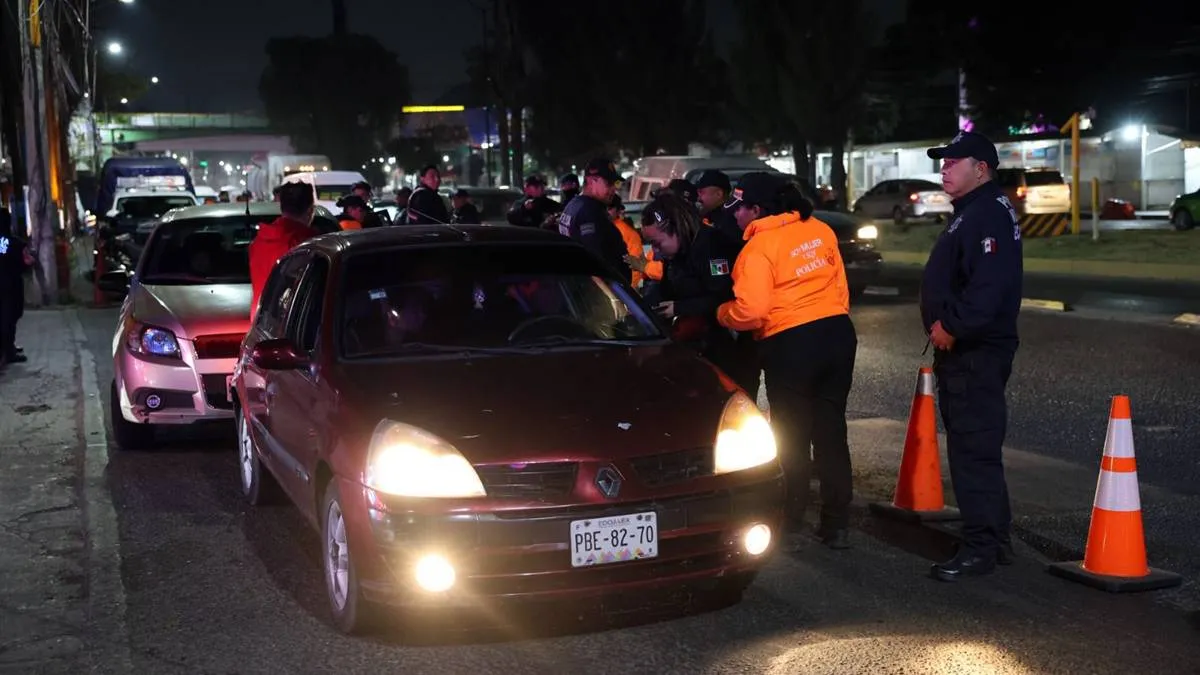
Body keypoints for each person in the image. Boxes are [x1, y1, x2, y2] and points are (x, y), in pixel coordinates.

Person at [716, 172, 857, 549]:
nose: (735, 216)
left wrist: (723, 314)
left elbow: (753, 311)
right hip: (838, 333)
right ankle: (836, 523)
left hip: (791, 342)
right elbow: (840, 286)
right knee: (830, 432)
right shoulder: (821, 230)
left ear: (757, 209)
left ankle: (791, 519)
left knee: (792, 435)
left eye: (739, 208)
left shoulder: (758, 248)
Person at [921, 130, 1023, 582]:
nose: (943, 168)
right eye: (942, 162)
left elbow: (988, 287)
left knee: (972, 449)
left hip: (973, 351)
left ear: (980, 168)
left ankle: (980, 546)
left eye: (952, 162)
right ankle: (995, 539)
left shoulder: (984, 215)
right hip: (973, 349)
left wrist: (951, 326)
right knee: (978, 446)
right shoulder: (977, 211)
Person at [639, 193, 757, 394]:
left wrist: (680, 308)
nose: (656, 251)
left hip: (726, 347)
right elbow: (667, 288)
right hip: (692, 346)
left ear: (676, 230)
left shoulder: (712, 247)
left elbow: (724, 296)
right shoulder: (676, 253)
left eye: (658, 243)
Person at [249, 182, 320, 316]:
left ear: (282, 208)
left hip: (260, 321)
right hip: (290, 326)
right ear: (310, 210)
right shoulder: (309, 244)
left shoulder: (259, 241)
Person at [557, 158, 629, 281]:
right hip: (600, 292)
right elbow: (596, 261)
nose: (613, 189)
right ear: (591, 181)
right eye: (608, 183)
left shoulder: (575, 205)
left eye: (615, 184)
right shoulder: (589, 212)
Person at [0, 207, 32, 366]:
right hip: (11, 285)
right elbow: (25, 263)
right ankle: (8, 351)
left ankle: (8, 348)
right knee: (10, 317)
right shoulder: (16, 243)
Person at [692, 169, 744, 250]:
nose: (698, 198)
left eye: (701, 192)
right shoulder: (704, 217)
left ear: (719, 194)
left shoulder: (730, 222)